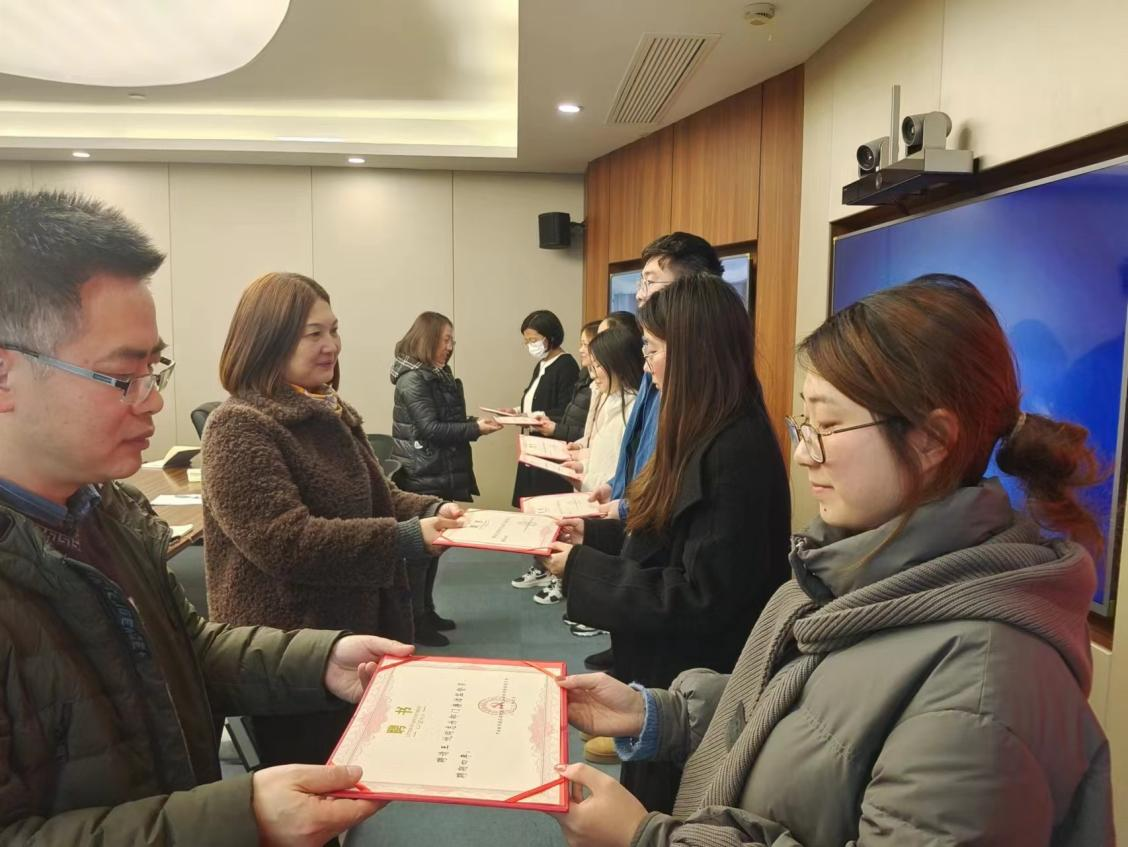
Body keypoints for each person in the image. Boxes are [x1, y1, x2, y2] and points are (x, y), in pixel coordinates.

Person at [550, 275, 1113, 847]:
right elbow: (808, 716)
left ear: (931, 439)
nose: (802, 453)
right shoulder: (851, 562)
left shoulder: (984, 692)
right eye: (805, 425)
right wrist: (660, 715)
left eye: (830, 426)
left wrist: (646, 838)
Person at [0, 189, 405, 845]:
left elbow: (185, 651)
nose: (154, 401)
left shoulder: (106, 512)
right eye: (122, 376)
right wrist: (237, 817)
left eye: (154, 367)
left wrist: (320, 660)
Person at [541, 274, 791, 813]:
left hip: (693, 681)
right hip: (667, 673)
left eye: (652, 350)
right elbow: (668, 534)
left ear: (693, 354)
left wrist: (583, 569)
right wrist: (593, 535)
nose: (647, 366)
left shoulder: (734, 449)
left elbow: (702, 595)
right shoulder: (707, 427)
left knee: (664, 812)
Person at [202, 272, 462, 767]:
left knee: (354, 773)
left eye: (334, 330)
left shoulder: (328, 408)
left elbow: (375, 496)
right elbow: (285, 541)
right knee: (311, 784)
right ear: (268, 339)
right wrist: (404, 539)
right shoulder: (239, 425)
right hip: (289, 649)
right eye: (313, 334)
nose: (332, 345)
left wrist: (431, 510)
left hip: (349, 632)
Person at [582, 233, 723, 674]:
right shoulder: (656, 370)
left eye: (650, 281)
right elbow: (638, 443)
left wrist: (629, 504)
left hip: (658, 528)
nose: (641, 294)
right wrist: (616, 487)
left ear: (692, 288)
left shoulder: (699, 389)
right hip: (640, 512)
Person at [390, 311, 503, 645]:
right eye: (446, 339)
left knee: (435, 549)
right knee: (420, 556)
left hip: (437, 470)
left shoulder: (436, 374)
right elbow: (430, 429)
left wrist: (475, 424)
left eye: (453, 340)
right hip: (422, 475)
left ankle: (428, 611)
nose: (451, 346)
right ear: (428, 340)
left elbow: (444, 421)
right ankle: (416, 621)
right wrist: (475, 429)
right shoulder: (413, 379)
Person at [532, 325, 644, 609]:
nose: (593, 374)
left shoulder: (632, 405)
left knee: (603, 558)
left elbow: (623, 461)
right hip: (594, 489)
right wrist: (582, 464)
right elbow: (599, 446)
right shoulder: (608, 397)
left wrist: (602, 481)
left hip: (611, 498)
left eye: (598, 366)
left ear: (616, 364)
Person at [510, 309, 581, 588]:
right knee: (533, 509)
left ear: (550, 337)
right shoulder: (542, 364)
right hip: (533, 445)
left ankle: (556, 572)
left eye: (534, 339)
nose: (530, 345)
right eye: (526, 341)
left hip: (550, 448)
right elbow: (534, 401)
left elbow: (566, 410)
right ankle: (539, 565)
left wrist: (535, 417)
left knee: (550, 512)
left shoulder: (566, 365)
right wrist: (517, 412)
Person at [531, 318, 600, 444]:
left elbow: (591, 432)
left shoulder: (567, 365)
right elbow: (570, 415)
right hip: (568, 444)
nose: (580, 350)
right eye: (581, 344)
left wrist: (556, 429)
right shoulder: (584, 376)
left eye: (585, 345)